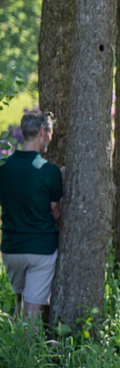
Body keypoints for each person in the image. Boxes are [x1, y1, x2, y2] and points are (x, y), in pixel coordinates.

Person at [1, 111, 63, 324]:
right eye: (51, 132)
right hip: (40, 251)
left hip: (11, 250)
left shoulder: (5, 169)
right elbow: (55, 213)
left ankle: (13, 350)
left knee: (19, 303)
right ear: (42, 132)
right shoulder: (50, 171)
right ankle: (27, 356)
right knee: (32, 311)